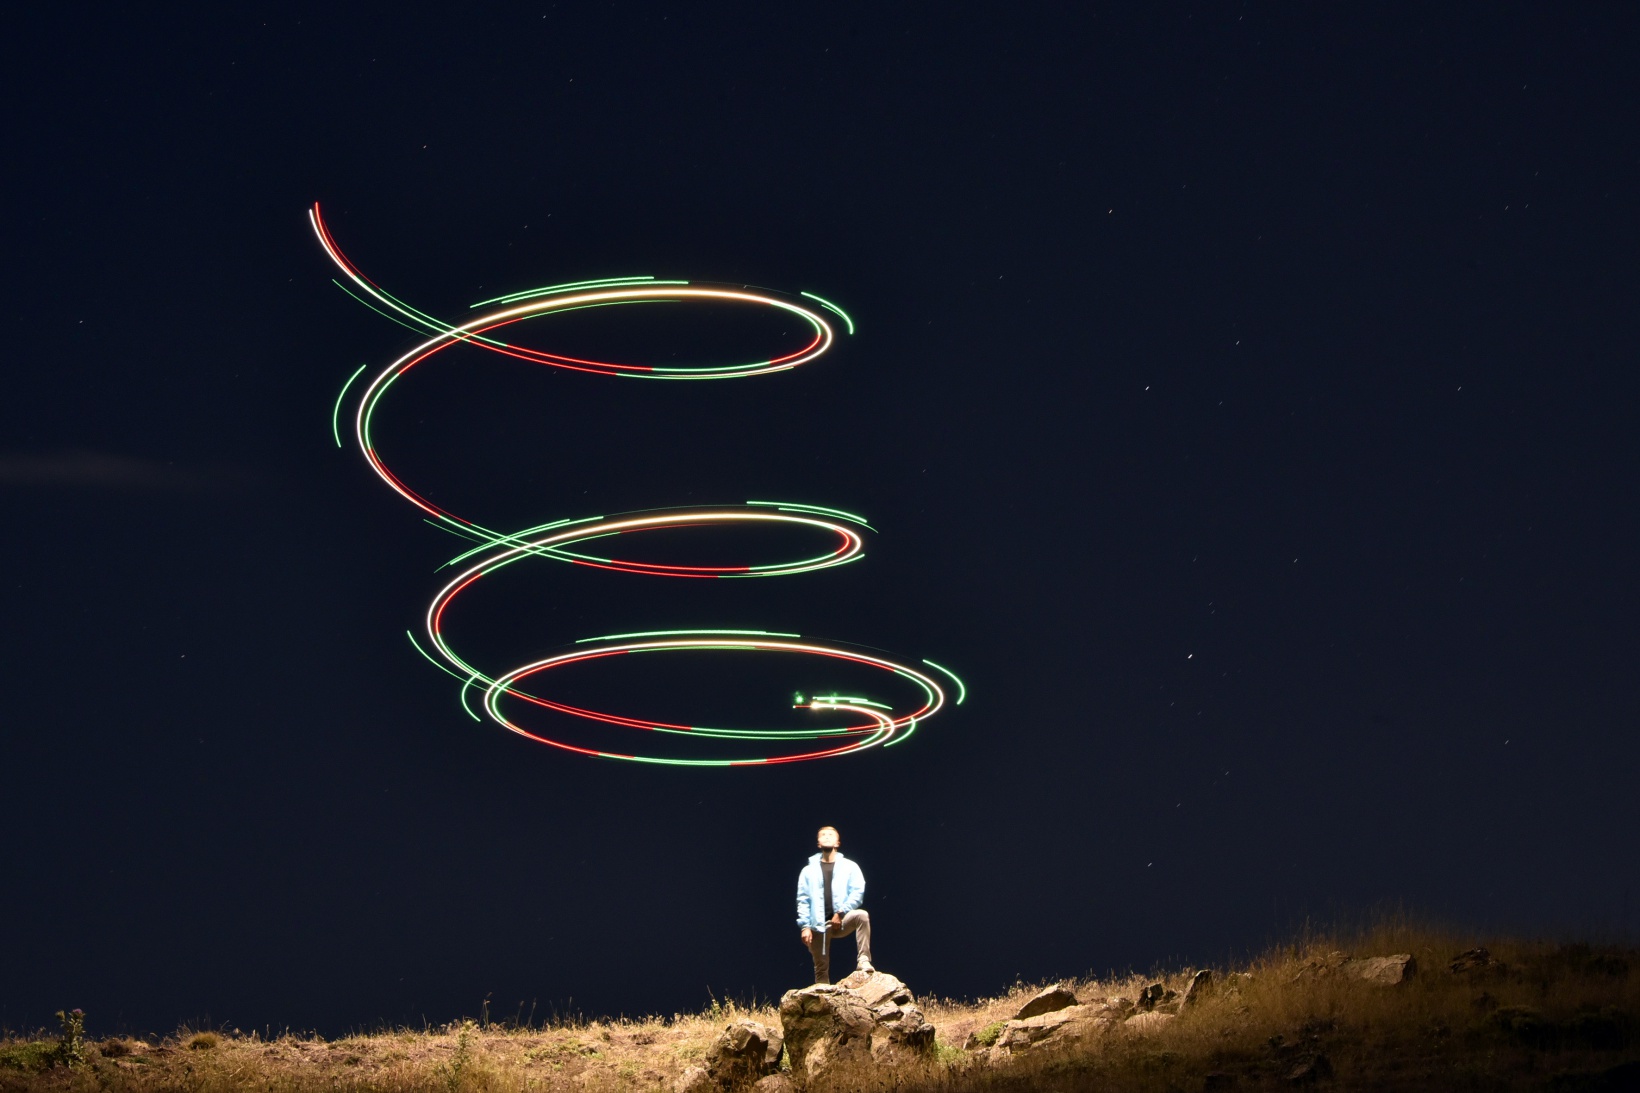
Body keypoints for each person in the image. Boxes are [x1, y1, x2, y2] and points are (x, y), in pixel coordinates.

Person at [795, 825, 873, 984]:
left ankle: (864, 960)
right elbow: (803, 900)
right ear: (818, 843)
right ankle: (823, 1001)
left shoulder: (850, 866)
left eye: (831, 834)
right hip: (819, 925)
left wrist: (841, 912)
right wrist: (805, 926)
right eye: (823, 834)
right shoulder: (808, 871)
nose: (827, 837)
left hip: (842, 920)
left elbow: (858, 891)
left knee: (862, 916)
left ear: (838, 842)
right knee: (821, 970)